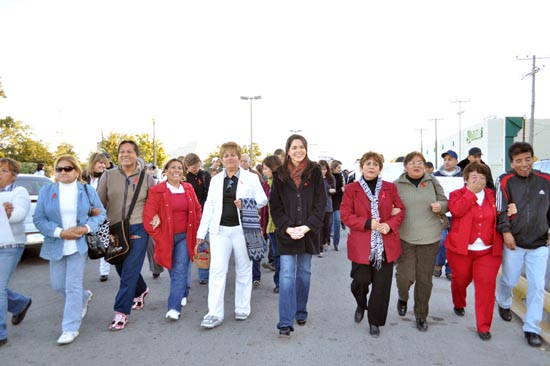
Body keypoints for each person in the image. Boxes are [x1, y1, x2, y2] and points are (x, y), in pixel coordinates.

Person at [34, 155, 106, 345]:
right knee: (58, 285)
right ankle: (84, 296)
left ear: (76, 171)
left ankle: (70, 327)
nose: (63, 172)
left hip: (79, 245)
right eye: (59, 169)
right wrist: (60, 232)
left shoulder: (87, 190)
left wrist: (85, 228)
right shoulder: (47, 191)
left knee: (72, 285)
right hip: (56, 243)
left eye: (68, 169)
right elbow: (39, 219)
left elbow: (101, 214)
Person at [196, 142, 267, 329]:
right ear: (221, 159)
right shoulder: (216, 180)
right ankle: (214, 313)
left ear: (239, 157)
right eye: (225, 155)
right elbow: (209, 206)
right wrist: (201, 232)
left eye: (233, 155)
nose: (229, 158)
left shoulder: (251, 178)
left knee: (244, 269)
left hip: (243, 230)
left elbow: (263, 199)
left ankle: (242, 307)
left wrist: (246, 203)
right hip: (219, 231)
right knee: (217, 271)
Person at [341, 151, 405, 337]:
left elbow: (400, 210)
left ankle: (375, 321)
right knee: (360, 281)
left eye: (375, 164)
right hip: (362, 243)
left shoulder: (389, 188)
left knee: (381, 285)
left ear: (380, 168)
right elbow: (346, 215)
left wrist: (389, 224)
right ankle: (362, 304)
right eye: (367, 164)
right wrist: (368, 223)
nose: (371, 167)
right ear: (361, 167)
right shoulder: (352, 189)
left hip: (385, 243)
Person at [269, 134, 326, 337]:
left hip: (308, 233)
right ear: (288, 150)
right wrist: (286, 227)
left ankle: (300, 310)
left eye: (301, 147)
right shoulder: (279, 174)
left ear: (306, 149)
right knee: (286, 275)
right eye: (294, 147)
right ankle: (285, 321)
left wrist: (307, 227)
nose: (298, 150)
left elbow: (321, 203)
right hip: (286, 233)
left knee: (303, 274)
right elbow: (274, 205)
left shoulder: (315, 171)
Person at [495, 142, 550, 348]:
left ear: (532, 159)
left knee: (536, 286)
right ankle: (504, 302)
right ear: (512, 162)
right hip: (514, 243)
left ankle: (531, 328)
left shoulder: (546, 180)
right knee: (509, 280)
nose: (524, 164)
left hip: (539, 244)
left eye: (527, 159)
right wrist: (506, 231)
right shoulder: (505, 180)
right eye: (518, 161)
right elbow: (500, 210)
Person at [97, 140, 155, 331]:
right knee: (120, 266)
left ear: (136, 155)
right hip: (114, 229)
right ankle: (141, 289)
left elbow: (153, 204)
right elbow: (99, 202)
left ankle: (121, 312)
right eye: (122, 151)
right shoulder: (107, 175)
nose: (125, 154)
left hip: (138, 228)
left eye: (130, 151)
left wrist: (154, 221)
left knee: (130, 270)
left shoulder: (147, 179)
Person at [445, 162, 502, 341]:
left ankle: (484, 326)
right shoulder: (457, 195)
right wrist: (471, 193)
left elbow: (504, 216)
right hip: (461, 250)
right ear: (466, 179)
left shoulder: (495, 196)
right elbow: (456, 210)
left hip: (487, 251)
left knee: (486, 287)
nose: (478, 180)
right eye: (474, 177)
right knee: (460, 280)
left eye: (482, 177)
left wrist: (512, 211)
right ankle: (459, 302)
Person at [393, 151, 448, 332]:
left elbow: (444, 201)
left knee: (424, 279)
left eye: (420, 162)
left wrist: (441, 206)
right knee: (404, 276)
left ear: (424, 166)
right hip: (405, 237)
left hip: (430, 237)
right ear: (405, 166)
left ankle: (421, 315)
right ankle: (403, 297)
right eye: (412, 162)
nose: (416, 165)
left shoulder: (432, 181)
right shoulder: (396, 185)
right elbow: (386, 206)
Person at [143, 158, 202, 321]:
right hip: (166, 238)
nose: (177, 170)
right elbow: (148, 214)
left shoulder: (188, 188)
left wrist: (199, 231)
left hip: (185, 236)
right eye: (173, 167)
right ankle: (182, 291)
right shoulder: (157, 190)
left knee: (180, 268)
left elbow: (197, 209)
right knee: (172, 268)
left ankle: (173, 307)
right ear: (166, 171)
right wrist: (158, 235)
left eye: (179, 168)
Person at [0, 158, 32, 347]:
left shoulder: (18, 192)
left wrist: (8, 214)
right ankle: (19, 303)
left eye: (4, 170)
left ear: (13, 176)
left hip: (10, 245)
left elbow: (20, 214)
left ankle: (0, 332)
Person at [433, 150, 463, 281]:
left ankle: (450, 269)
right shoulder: (435, 176)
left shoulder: (463, 176)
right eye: (445, 159)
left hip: (457, 215)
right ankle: (438, 263)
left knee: (454, 243)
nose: (447, 161)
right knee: (441, 241)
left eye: (450, 159)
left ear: (456, 161)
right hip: (441, 214)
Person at [185, 153, 212, 285]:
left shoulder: (205, 175)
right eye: (193, 167)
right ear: (187, 166)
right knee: (197, 243)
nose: (196, 169)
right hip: (191, 214)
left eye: (197, 166)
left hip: (206, 211)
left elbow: (211, 193)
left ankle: (207, 272)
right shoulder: (185, 178)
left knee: (207, 243)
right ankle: (201, 274)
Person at [84, 152, 111, 282]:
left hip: (103, 216)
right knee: (86, 243)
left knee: (103, 243)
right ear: (93, 163)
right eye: (100, 162)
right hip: (85, 216)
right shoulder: (84, 178)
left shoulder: (107, 177)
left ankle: (104, 271)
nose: (102, 165)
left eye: (104, 163)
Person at [240, 153, 264, 287]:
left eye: (245, 161)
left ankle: (256, 277)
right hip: (237, 218)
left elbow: (261, 198)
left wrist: (256, 210)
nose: (243, 163)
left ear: (249, 163)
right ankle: (245, 277)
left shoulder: (255, 177)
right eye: (241, 161)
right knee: (242, 250)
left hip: (252, 216)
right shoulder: (232, 177)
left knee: (254, 246)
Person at [260, 155, 283, 293]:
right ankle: (279, 281)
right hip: (270, 225)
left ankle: (281, 282)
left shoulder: (282, 182)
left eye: (266, 169)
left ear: (273, 168)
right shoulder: (265, 184)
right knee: (276, 255)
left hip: (281, 225)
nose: (264, 171)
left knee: (281, 256)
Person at [318, 160, 334, 257]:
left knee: (326, 227)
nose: (323, 171)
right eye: (321, 169)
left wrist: (332, 190)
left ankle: (325, 242)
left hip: (328, 206)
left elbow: (334, 188)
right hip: (318, 207)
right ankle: (320, 249)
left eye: (324, 169)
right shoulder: (315, 179)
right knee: (319, 228)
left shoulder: (330, 179)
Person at [329, 160, 345, 248]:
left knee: (337, 221)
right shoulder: (330, 177)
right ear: (334, 168)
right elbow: (331, 191)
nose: (340, 169)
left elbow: (341, 190)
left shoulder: (340, 176)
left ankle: (336, 243)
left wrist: (341, 191)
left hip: (338, 202)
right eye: (339, 167)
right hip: (330, 202)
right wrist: (340, 190)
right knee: (328, 223)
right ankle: (326, 240)